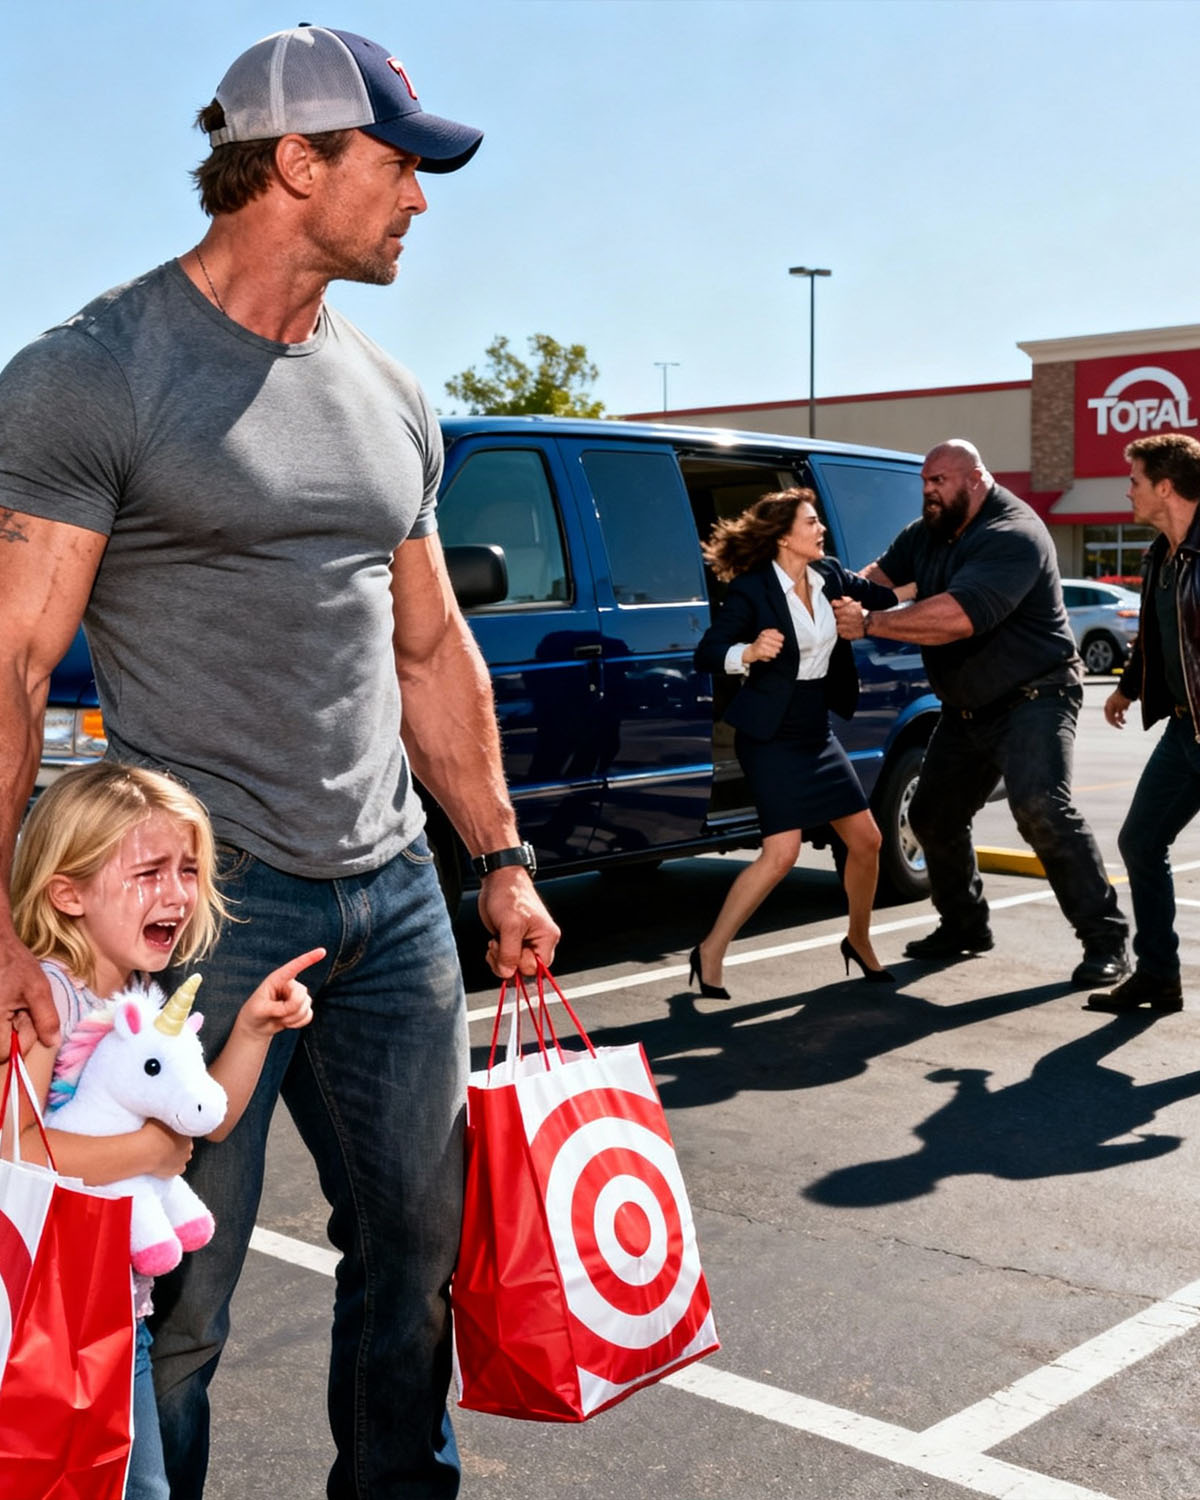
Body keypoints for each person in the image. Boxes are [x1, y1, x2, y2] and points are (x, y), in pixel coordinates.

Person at [0, 24, 559, 1500]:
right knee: (175, 1297)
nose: (420, 200)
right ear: (296, 162)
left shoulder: (392, 394)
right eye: (399, 166)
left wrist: (499, 858)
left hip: (394, 894)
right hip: (202, 909)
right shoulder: (93, 375)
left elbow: (430, 650)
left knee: (417, 1260)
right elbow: (10, 666)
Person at [11, 762, 321, 1500]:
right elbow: (12, 1147)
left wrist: (253, 1030)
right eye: (150, 872)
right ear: (67, 892)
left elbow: (206, 1119)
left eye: (188, 869)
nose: (179, 893)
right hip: (31, 1321)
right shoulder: (45, 997)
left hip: (120, 1317)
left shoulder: (144, 998)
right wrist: (146, 1152)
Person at [831, 439, 1129, 988]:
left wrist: (870, 624)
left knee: (1041, 806)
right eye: (924, 482)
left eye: (938, 481)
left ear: (975, 479)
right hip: (968, 705)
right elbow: (875, 581)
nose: (927, 492)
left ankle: (1106, 940)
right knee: (931, 814)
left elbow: (959, 617)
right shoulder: (927, 531)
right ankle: (964, 925)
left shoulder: (1014, 533)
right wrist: (827, 591)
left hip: (1036, 695)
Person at [691, 488, 901, 994]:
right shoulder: (753, 589)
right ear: (784, 536)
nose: (821, 528)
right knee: (781, 855)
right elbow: (707, 652)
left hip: (815, 730)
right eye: (811, 522)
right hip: (770, 735)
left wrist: (934, 575)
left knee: (868, 841)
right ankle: (711, 949)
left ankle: (859, 939)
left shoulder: (830, 575)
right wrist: (749, 651)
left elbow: (887, 597)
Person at [1085, 433, 1200, 1015]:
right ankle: (1158, 975)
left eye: (1134, 481)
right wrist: (1127, 688)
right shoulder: (1160, 555)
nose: (1127, 491)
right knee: (1140, 841)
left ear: (1166, 487)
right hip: (1184, 732)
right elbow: (1156, 636)